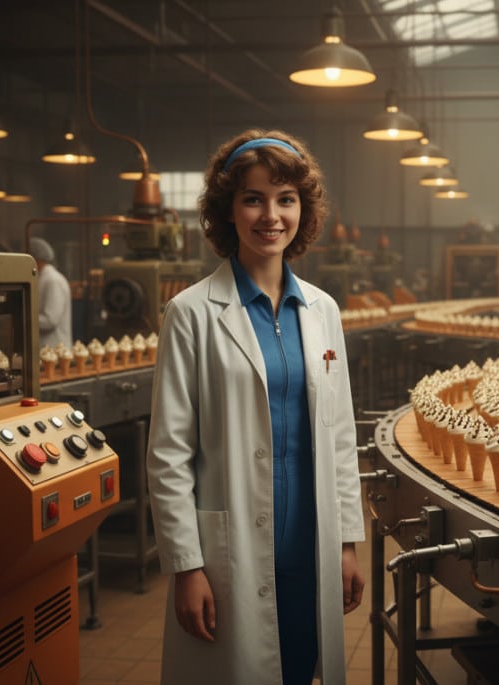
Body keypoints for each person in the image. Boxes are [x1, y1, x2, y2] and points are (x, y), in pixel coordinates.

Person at [146, 130, 365, 685]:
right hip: (231, 554)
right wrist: (186, 566)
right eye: (253, 199)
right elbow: (169, 455)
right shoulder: (191, 314)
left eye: (285, 199)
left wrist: (345, 543)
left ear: (302, 209)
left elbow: (340, 437)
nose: (271, 216)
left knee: (299, 669)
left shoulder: (323, 310)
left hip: (310, 546)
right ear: (228, 210)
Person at [28, 237, 72, 347]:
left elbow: (50, 320)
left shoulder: (52, 280)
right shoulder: (42, 278)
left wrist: (25, 319)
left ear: (35, 258)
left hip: (55, 348)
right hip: (46, 348)